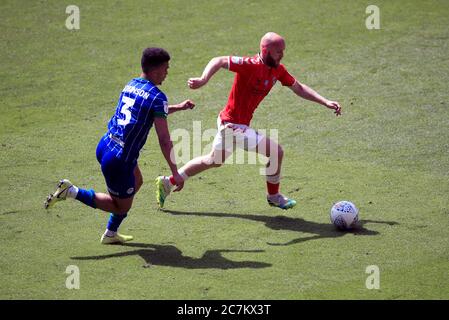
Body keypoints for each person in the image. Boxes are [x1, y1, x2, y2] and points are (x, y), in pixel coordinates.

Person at [156, 32, 342, 210]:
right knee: (275, 152)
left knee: (214, 160)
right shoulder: (250, 64)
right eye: (279, 52)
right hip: (232, 126)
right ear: (267, 51)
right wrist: (204, 80)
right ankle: (274, 196)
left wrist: (325, 101)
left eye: (283, 51)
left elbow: (298, 87)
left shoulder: (278, 71)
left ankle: (168, 182)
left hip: (230, 124)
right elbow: (219, 60)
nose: (282, 55)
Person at [44, 47, 195, 244]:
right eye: (166, 69)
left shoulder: (131, 84)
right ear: (156, 70)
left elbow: (146, 110)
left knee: (137, 181)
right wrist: (175, 172)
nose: (167, 73)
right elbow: (164, 139)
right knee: (120, 207)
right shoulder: (158, 97)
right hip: (120, 159)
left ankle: (111, 233)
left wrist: (179, 107)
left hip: (106, 145)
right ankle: (71, 191)